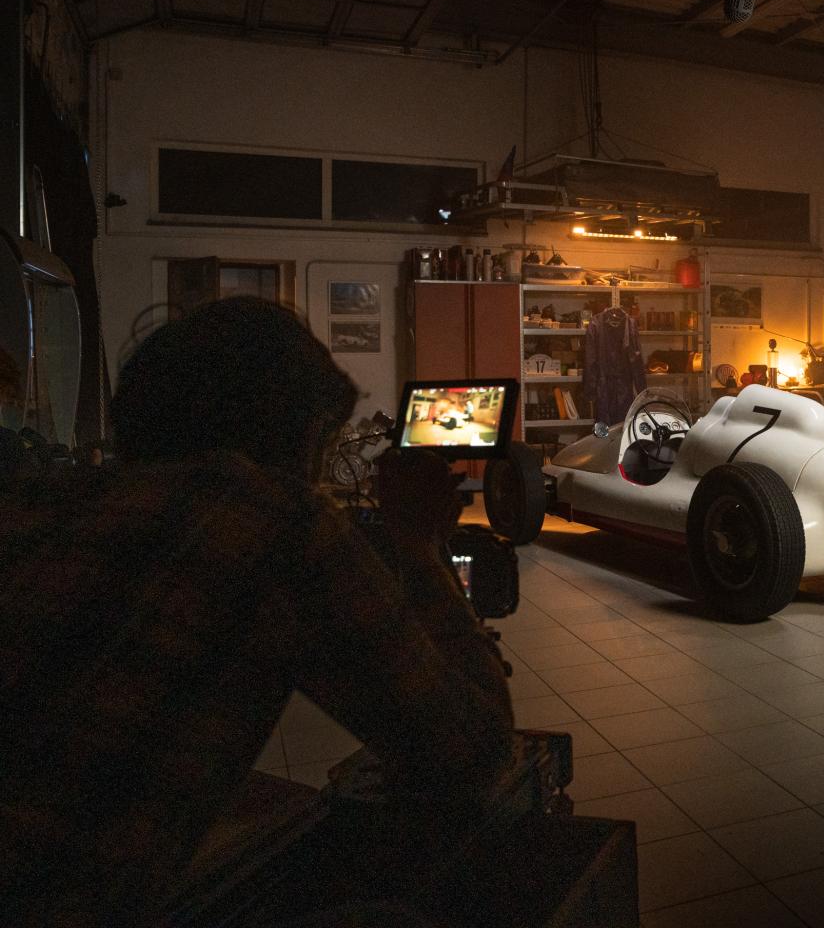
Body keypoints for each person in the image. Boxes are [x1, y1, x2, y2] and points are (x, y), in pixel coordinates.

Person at [0, 297, 519, 925]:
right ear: (299, 434)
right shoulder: (280, 523)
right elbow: (469, 752)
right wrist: (416, 542)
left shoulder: (33, 501)